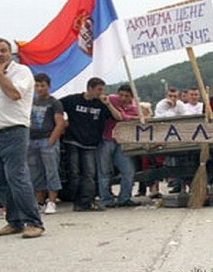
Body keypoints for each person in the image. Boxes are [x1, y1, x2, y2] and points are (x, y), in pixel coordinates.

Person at [0, 37, 44, 238]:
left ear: (10, 52)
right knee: (0, 180)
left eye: (3, 50)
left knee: (17, 177)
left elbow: (14, 94)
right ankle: (14, 221)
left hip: (14, 131)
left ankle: (34, 222)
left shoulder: (21, 72)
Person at [59, 77, 123, 212]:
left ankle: (86, 202)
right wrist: (62, 122)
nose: (101, 92)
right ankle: (76, 201)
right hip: (73, 141)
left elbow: (118, 117)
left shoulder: (100, 104)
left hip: (90, 144)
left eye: (102, 90)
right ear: (90, 88)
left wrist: (108, 104)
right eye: (99, 89)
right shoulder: (73, 100)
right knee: (74, 173)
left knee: (89, 173)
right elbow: (56, 107)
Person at [28, 73, 66, 215]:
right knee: (36, 172)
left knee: (51, 171)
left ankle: (52, 201)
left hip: (47, 139)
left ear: (48, 86)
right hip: (32, 140)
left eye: (42, 85)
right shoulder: (31, 102)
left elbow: (60, 123)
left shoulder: (54, 103)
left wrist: (51, 140)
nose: (39, 88)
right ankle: (38, 202)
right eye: (37, 85)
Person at [99, 84, 139, 208]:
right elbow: (119, 117)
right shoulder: (111, 99)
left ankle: (124, 197)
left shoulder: (133, 107)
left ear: (131, 97)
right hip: (106, 138)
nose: (122, 98)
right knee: (104, 172)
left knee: (128, 171)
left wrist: (127, 117)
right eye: (121, 94)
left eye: (126, 96)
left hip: (121, 141)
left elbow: (139, 118)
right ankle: (106, 199)